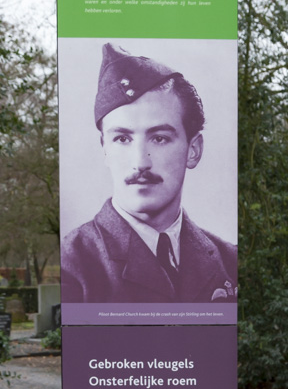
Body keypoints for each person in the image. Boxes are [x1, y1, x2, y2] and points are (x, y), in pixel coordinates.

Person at [60, 43, 237, 303]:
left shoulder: (230, 261)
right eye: (122, 138)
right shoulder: (72, 266)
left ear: (193, 150)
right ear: (105, 149)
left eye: (160, 138)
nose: (140, 162)